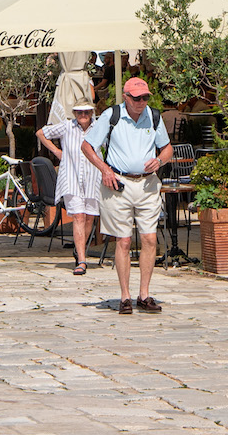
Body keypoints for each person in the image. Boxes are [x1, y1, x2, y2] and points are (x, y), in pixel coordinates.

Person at [80, 77, 173, 315]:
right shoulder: (111, 116)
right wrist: (104, 169)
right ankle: (125, 296)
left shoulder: (153, 116)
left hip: (147, 185)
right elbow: (88, 146)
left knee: (150, 239)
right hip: (118, 184)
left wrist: (160, 160)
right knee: (123, 240)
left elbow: (168, 148)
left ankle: (144, 294)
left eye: (145, 98)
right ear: (125, 97)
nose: (141, 102)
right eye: (136, 98)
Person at [39, 98, 102, 275]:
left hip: (92, 177)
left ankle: (78, 247)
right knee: (79, 216)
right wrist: (57, 151)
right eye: (80, 112)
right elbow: (41, 133)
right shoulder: (67, 126)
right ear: (74, 113)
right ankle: (82, 260)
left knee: (89, 217)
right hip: (71, 176)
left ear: (92, 112)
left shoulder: (98, 127)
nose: (83, 115)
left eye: (87, 112)